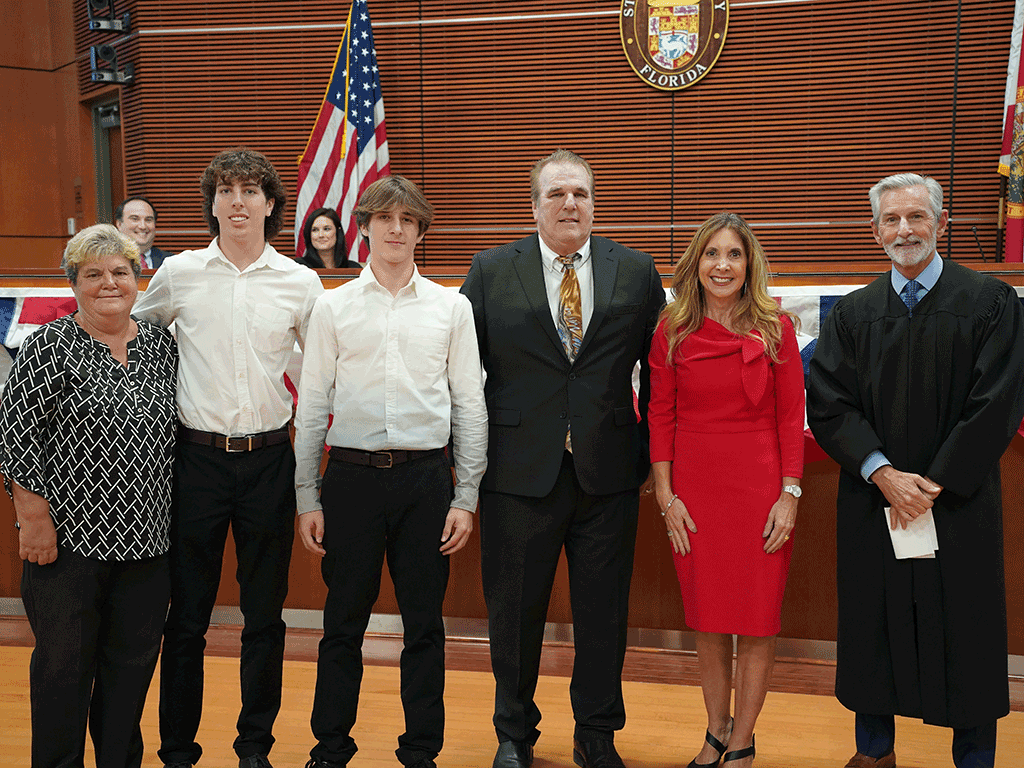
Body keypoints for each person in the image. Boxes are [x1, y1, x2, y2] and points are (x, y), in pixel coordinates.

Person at [807, 173, 1024, 768]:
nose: (905, 230)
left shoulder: (989, 303)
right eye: (891, 220)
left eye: (917, 217)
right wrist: (884, 474)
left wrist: (932, 483)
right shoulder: (852, 315)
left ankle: (975, 759)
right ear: (875, 232)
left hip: (957, 504)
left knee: (968, 632)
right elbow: (829, 404)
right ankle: (874, 753)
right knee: (873, 625)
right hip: (875, 500)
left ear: (941, 223)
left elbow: (997, 401)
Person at [460, 149, 664, 768]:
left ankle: (596, 734)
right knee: (514, 614)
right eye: (556, 194)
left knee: (603, 614)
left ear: (595, 203)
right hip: (517, 474)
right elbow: (464, 375)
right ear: (534, 205)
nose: (569, 203)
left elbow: (659, 374)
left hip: (608, 473)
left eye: (580, 193)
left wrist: (656, 460)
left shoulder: (634, 270)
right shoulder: (493, 271)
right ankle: (514, 735)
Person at [134, 148, 325, 768]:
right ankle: (177, 749)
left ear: (271, 205)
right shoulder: (179, 274)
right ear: (212, 203)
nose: (236, 200)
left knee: (264, 617)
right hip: (194, 465)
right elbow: (130, 338)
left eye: (249, 190)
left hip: (270, 463)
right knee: (185, 616)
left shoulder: (301, 282)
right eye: (225, 190)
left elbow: (324, 372)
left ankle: (254, 748)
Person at [294, 174, 487, 768]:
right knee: (342, 623)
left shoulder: (452, 307)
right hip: (350, 481)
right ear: (366, 226)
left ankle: (421, 749)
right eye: (384, 218)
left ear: (420, 230)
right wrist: (307, 495)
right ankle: (330, 747)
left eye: (407, 219)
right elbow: (313, 404)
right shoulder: (332, 307)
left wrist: (467, 494)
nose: (396, 228)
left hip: (428, 483)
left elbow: (468, 406)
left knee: (425, 625)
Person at [0, 223, 177, 768]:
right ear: (73, 283)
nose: (108, 283)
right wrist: (32, 520)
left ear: (137, 278)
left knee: (129, 674)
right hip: (68, 545)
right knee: (63, 672)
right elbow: (16, 437)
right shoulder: (48, 346)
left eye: (120, 272)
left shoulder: (159, 345)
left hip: (147, 546)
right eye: (93, 274)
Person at [648, 213, 804, 768]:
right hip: (695, 490)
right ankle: (716, 731)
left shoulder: (776, 329)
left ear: (748, 264)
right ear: (696, 263)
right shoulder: (672, 329)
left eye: (733, 254)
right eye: (711, 254)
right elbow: (659, 417)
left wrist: (790, 495)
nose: (722, 265)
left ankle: (744, 741)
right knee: (709, 618)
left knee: (757, 619)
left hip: (761, 489)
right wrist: (667, 498)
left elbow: (791, 418)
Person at [115, 196, 173, 269]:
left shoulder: (171, 262)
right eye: (135, 219)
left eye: (148, 220)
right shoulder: (106, 259)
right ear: (119, 224)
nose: (142, 226)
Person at [296, 207, 360, 269]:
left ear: (337, 232)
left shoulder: (353, 268)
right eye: (315, 230)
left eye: (326, 229)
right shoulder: (298, 267)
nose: (321, 235)